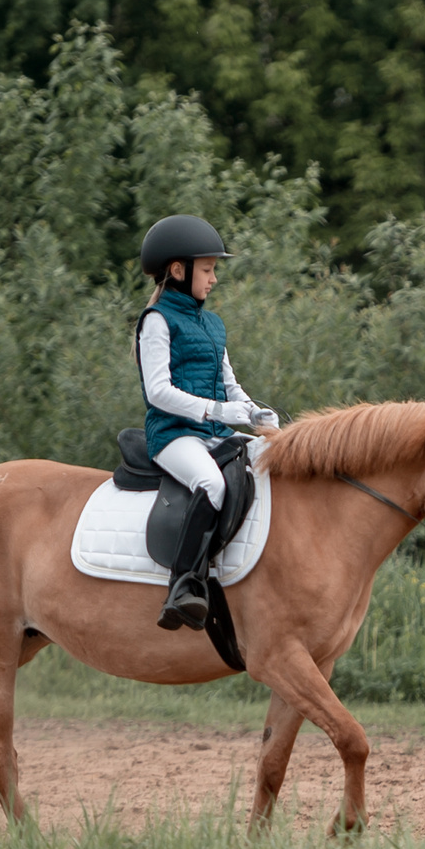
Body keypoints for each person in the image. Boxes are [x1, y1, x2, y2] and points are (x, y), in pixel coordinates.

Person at [137, 214, 278, 630]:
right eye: (208, 269)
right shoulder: (157, 320)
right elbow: (158, 392)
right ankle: (184, 585)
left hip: (214, 432)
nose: (214, 279)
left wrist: (254, 413)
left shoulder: (213, 324)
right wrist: (216, 411)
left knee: (275, 460)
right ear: (179, 271)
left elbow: (229, 384)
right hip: (173, 435)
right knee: (211, 484)